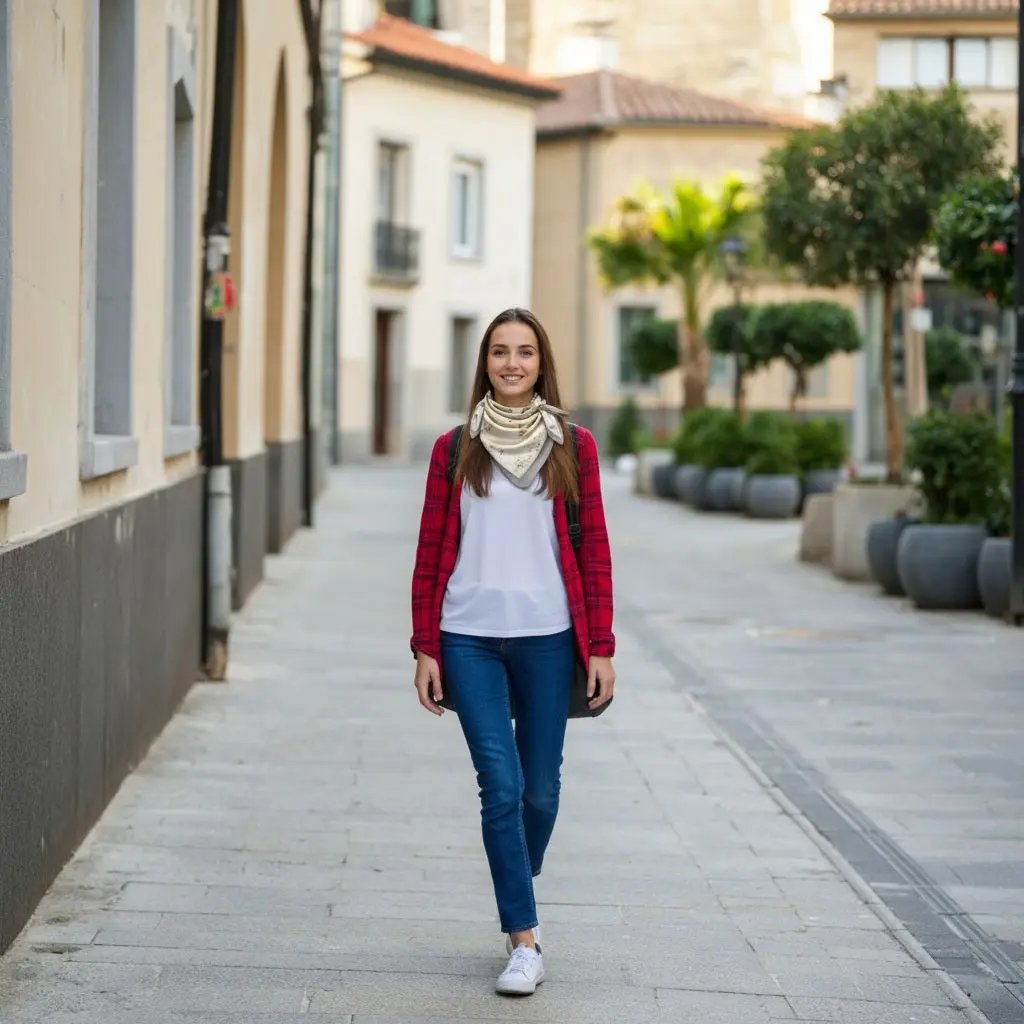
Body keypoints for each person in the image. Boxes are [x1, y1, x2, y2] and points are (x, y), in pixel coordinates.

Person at [409, 307, 616, 996]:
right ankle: (523, 941)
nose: (512, 363)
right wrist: (425, 645)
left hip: (551, 638)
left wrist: (603, 646)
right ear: (484, 364)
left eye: (525, 352)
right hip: (469, 637)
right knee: (499, 787)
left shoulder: (572, 445)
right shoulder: (454, 449)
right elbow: (431, 551)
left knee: (541, 792)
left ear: (541, 362)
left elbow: (595, 550)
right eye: (499, 352)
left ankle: (512, 880)